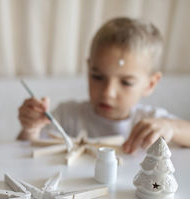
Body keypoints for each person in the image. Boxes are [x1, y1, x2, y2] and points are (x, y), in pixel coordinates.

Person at [17, 17, 190, 153]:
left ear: (150, 84)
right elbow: (24, 152)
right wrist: (30, 129)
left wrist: (172, 128)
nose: (108, 92)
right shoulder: (66, 116)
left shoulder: (152, 120)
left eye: (126, 82)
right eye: (97, 77)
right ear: (88, 69)